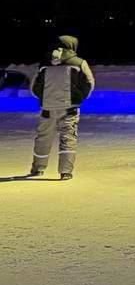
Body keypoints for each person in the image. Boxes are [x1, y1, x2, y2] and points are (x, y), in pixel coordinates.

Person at [29, 36, 94, 180]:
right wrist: (79, 97)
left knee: (43, 138)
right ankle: (65, 172)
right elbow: (89, 83)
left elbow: (34, 87)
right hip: (69, 108)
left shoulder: (44, 64)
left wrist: (45, 99)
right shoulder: (79, 63)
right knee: (68, 138)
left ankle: (37, 169)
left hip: (47, 109)